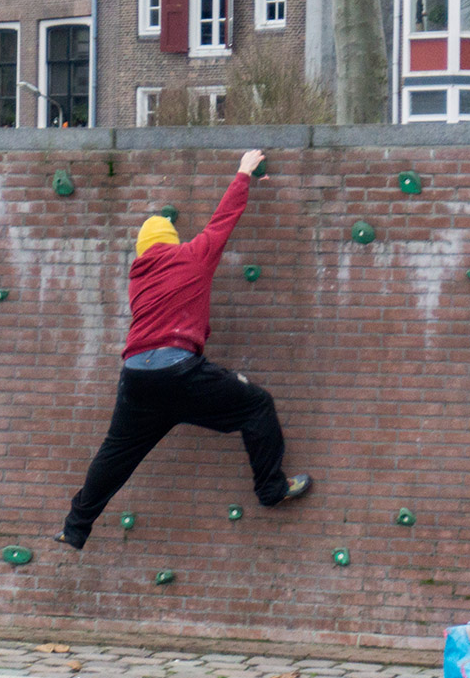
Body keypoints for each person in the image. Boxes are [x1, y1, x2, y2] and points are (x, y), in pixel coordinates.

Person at [54, 149, 312, 550]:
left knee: (116, 454)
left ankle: (75, 527)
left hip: (137, 378)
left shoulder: (138, 278)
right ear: (171, 241)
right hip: (180, 372)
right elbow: (223, 220)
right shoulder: (191, 257)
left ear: (143, 250)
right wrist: (243, 173)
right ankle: (271, 488)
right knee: (257, 405)